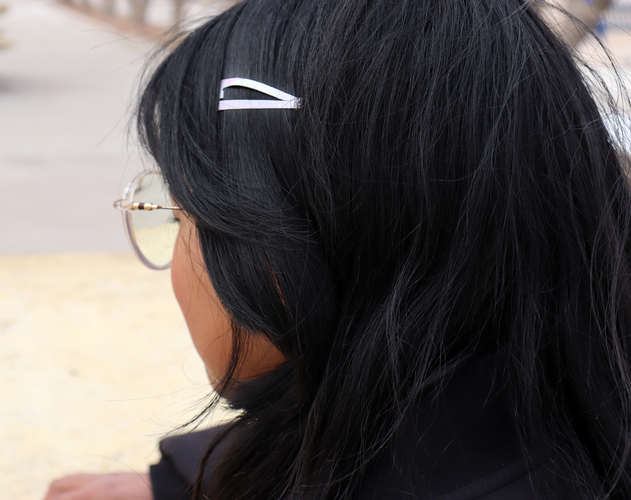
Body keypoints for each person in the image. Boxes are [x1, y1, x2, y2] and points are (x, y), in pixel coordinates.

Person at [45, 0, 631, 498]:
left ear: (308, 238)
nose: (174, 254)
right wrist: (182, 480)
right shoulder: (557, 397)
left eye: (180, 214)